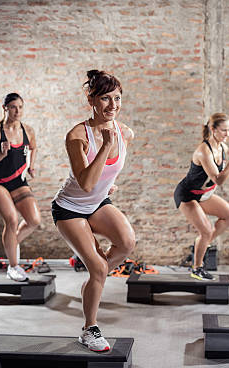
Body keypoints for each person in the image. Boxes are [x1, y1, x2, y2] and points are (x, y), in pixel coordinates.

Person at [52, 70, 135, 351]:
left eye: (118, 98)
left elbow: (110, 172)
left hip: (97, 204)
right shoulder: (77, 135)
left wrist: (109, 185)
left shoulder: (126, 133)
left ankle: (93, 275)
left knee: (126, 244)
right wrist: (106, 146)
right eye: (105, 99)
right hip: (70, 208)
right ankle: (89, 329)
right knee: (99, 267)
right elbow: (86, 183)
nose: (113, 105)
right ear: (91, 99)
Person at [0, 93, 41, 282]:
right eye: (13, 107)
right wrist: (1, 155)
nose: (18, 111)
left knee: (34, 220)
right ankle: (13, 267)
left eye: (20, 107)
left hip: (17, 181)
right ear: (5, 108)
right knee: (12, 220)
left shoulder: (27, 130)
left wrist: (31, 165)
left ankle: (11, 244)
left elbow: (33, 148)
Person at [174, 113, 229, 280]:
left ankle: (200, 245)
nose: (227, 134)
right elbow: (218, 179)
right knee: (206, 230)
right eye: (224, 130)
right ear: (213, 129)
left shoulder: (223, 148)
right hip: (187, 195)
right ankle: (197, 268)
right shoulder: (204, 151)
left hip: (204, 195)